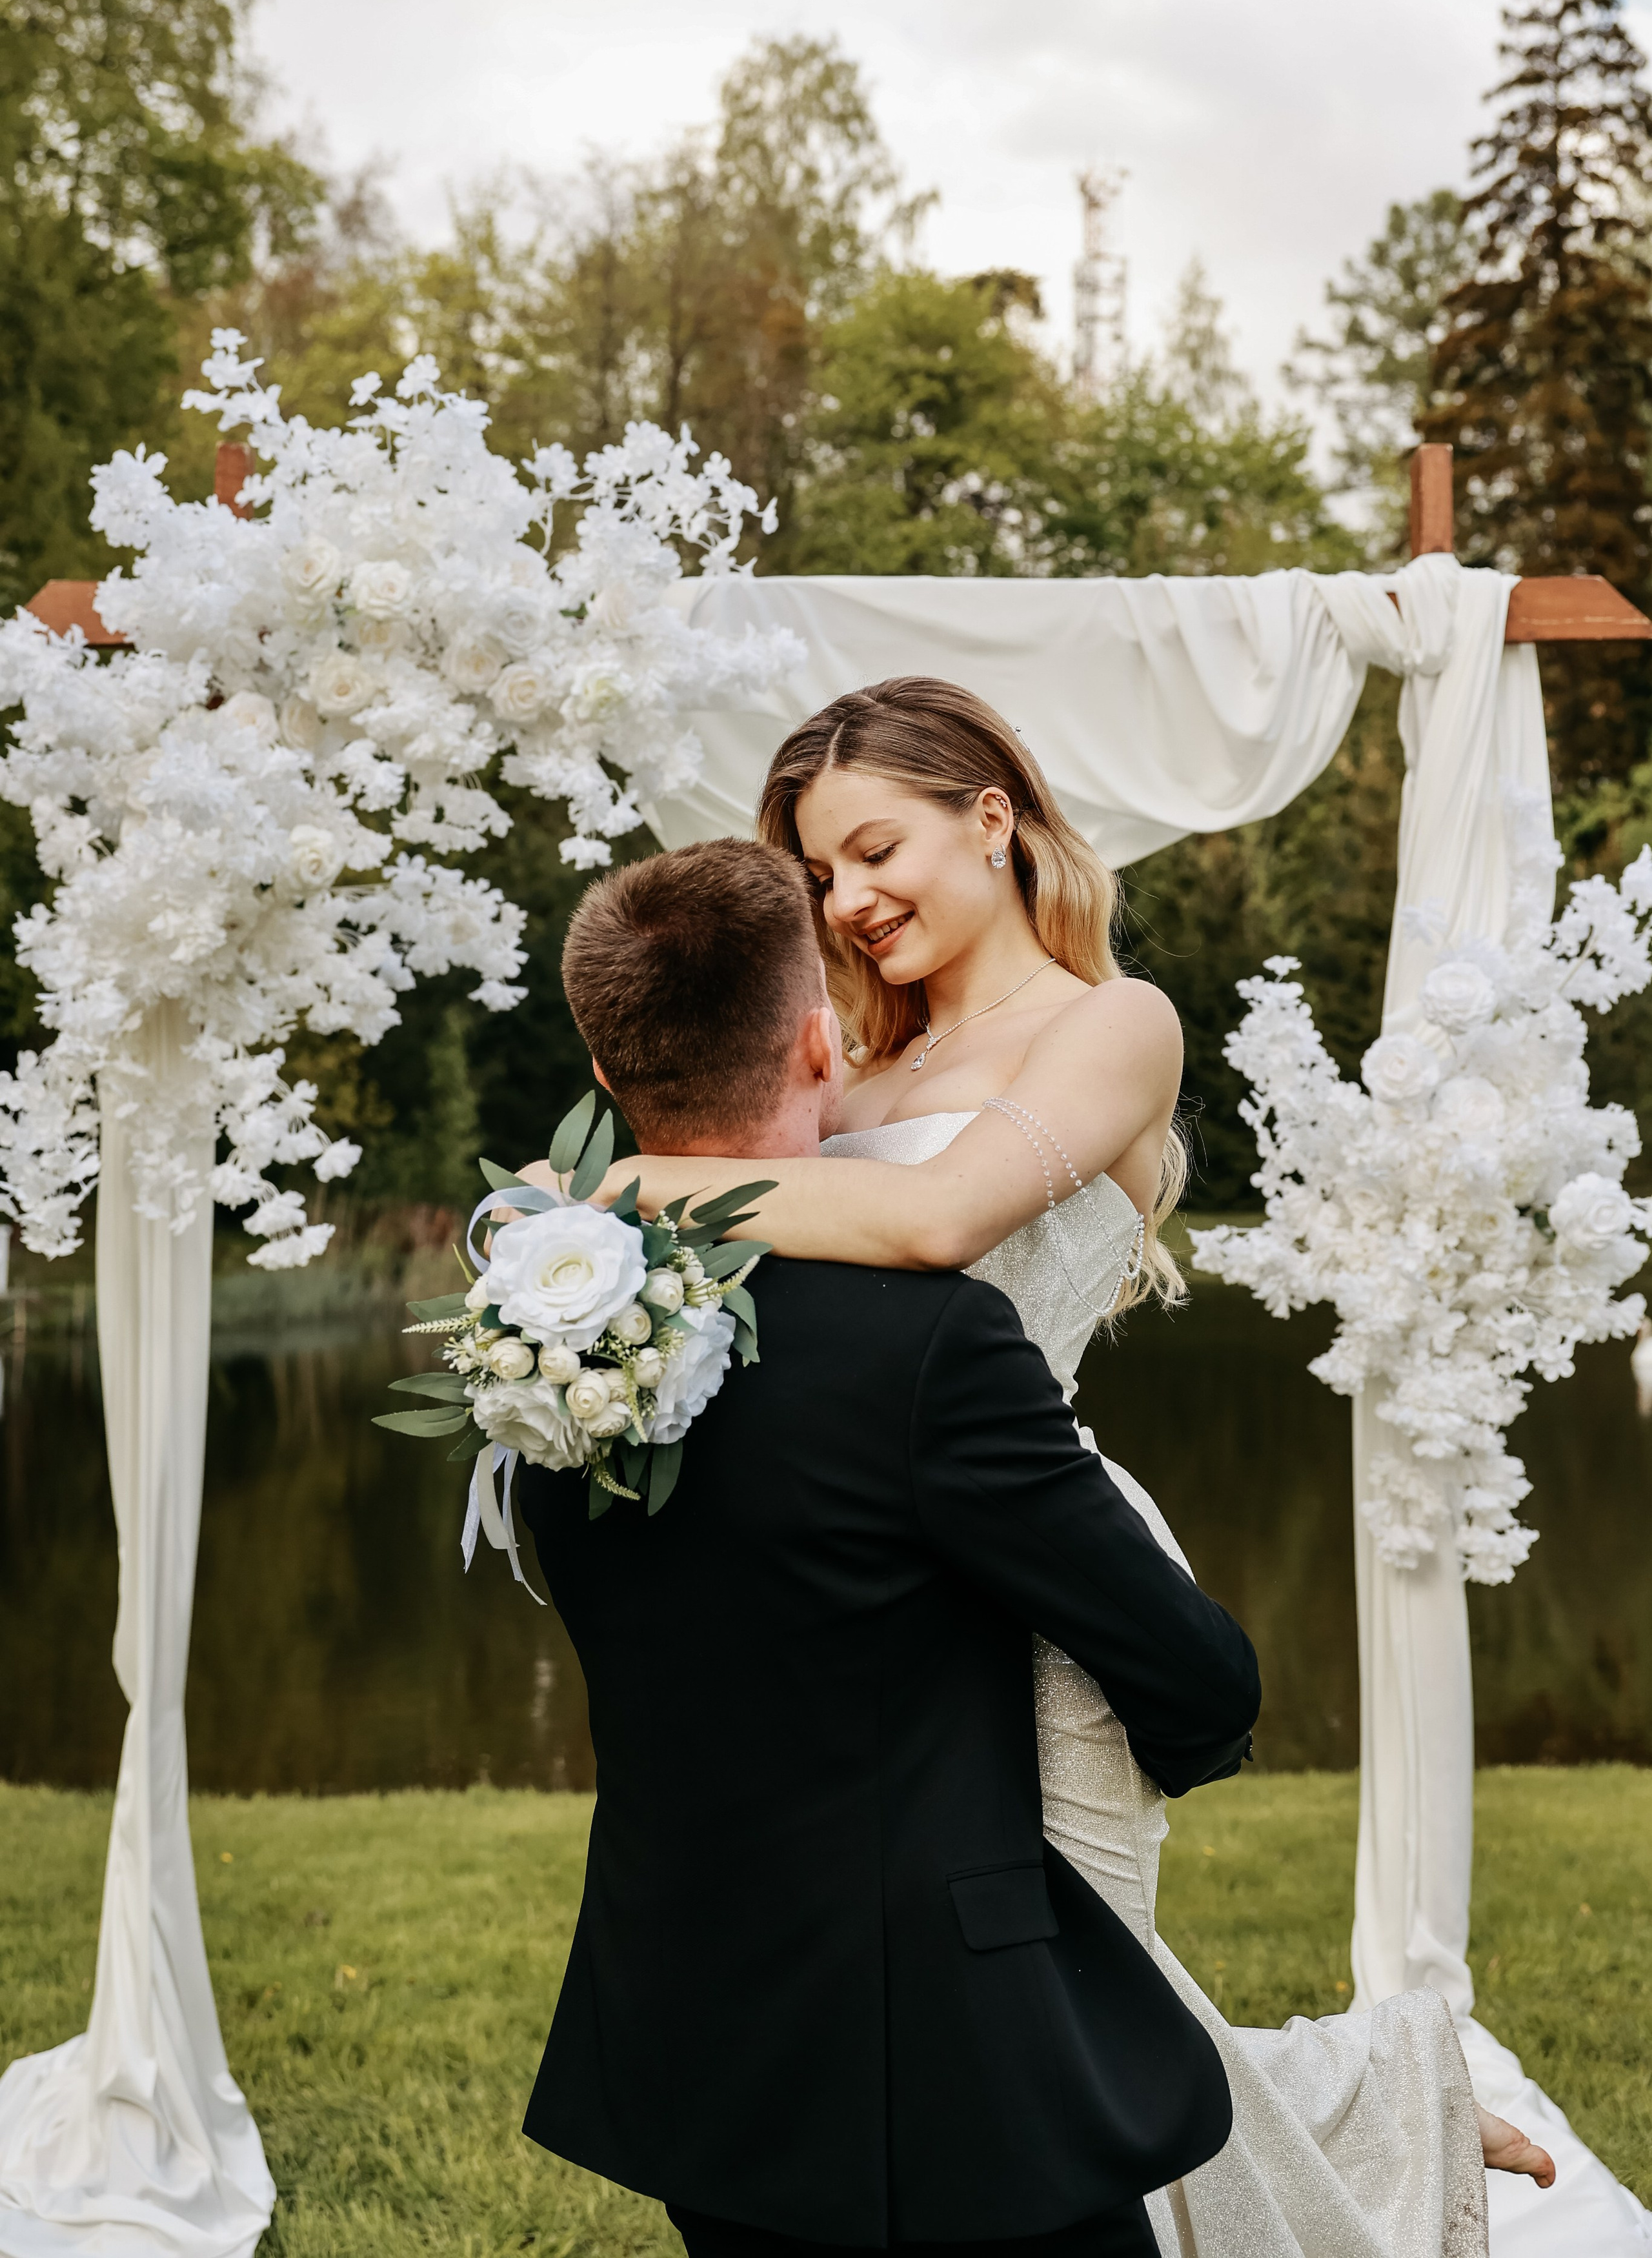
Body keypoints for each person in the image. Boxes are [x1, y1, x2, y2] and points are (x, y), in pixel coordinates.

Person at [589, 678, 1556, 2258]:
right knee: (969, 1986)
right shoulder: (857, 1059)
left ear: (991, 815)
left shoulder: (1112, 1026)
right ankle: (1389, 2111)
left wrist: (627, 1190)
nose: (848, 899)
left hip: (1041, 1570)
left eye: (875, 846)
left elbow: (931, 1228)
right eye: (820, 874)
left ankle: (1373, 2131)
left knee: (1067, 1979)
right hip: (880, 1582)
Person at [514, 834, 1263, 2258]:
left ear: (610, 1085)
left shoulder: (543, 1336)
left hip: (688, 2030)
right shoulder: (920, 1351)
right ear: (815, 1043)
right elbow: (1199, 1683)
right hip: (949, 2057)